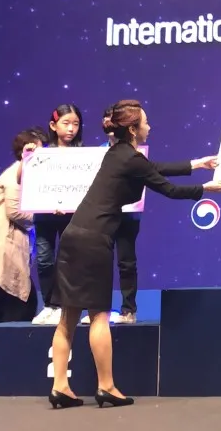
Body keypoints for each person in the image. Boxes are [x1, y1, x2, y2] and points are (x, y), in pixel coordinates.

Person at [48, 99, 221, 409]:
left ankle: (60, 387)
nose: (149, 127)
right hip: (93, 241)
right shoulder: (129, 158)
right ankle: (106, 387)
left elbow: (152, 168)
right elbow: (168, 189)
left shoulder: (117, 153)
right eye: (145, 122)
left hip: (74, 235)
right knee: (99, 316)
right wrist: (204, 189)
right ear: (133, 129)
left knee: (68, 317)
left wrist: (197, 164)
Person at [0, 127, 47, 324]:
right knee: (21, 301)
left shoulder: (24, 174)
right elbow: (14, 211)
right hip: (4, 246)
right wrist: (45, 216)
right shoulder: (16, 174)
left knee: (6, 299)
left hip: (6, 246)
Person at [80, 106, 141, 325]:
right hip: (103, 216)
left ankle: (128, 310)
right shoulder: (97, 153)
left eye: (113, 120)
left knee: (127, 262)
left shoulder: (135, 152)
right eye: (106, 120)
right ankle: (96, 310)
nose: (109, 124)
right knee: (97, 263)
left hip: (128, 214)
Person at [33, 104, 84, 326]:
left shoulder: (84, 156)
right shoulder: (41, 154)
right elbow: (27, 180)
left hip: (71, 216)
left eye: (76, 124)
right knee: (44, 260)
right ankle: (50, 305)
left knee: (68, 261)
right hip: (45, 215)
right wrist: (28, 155)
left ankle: (65, 306)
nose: (71, 128)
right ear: (53, 126)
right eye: (66, 123)